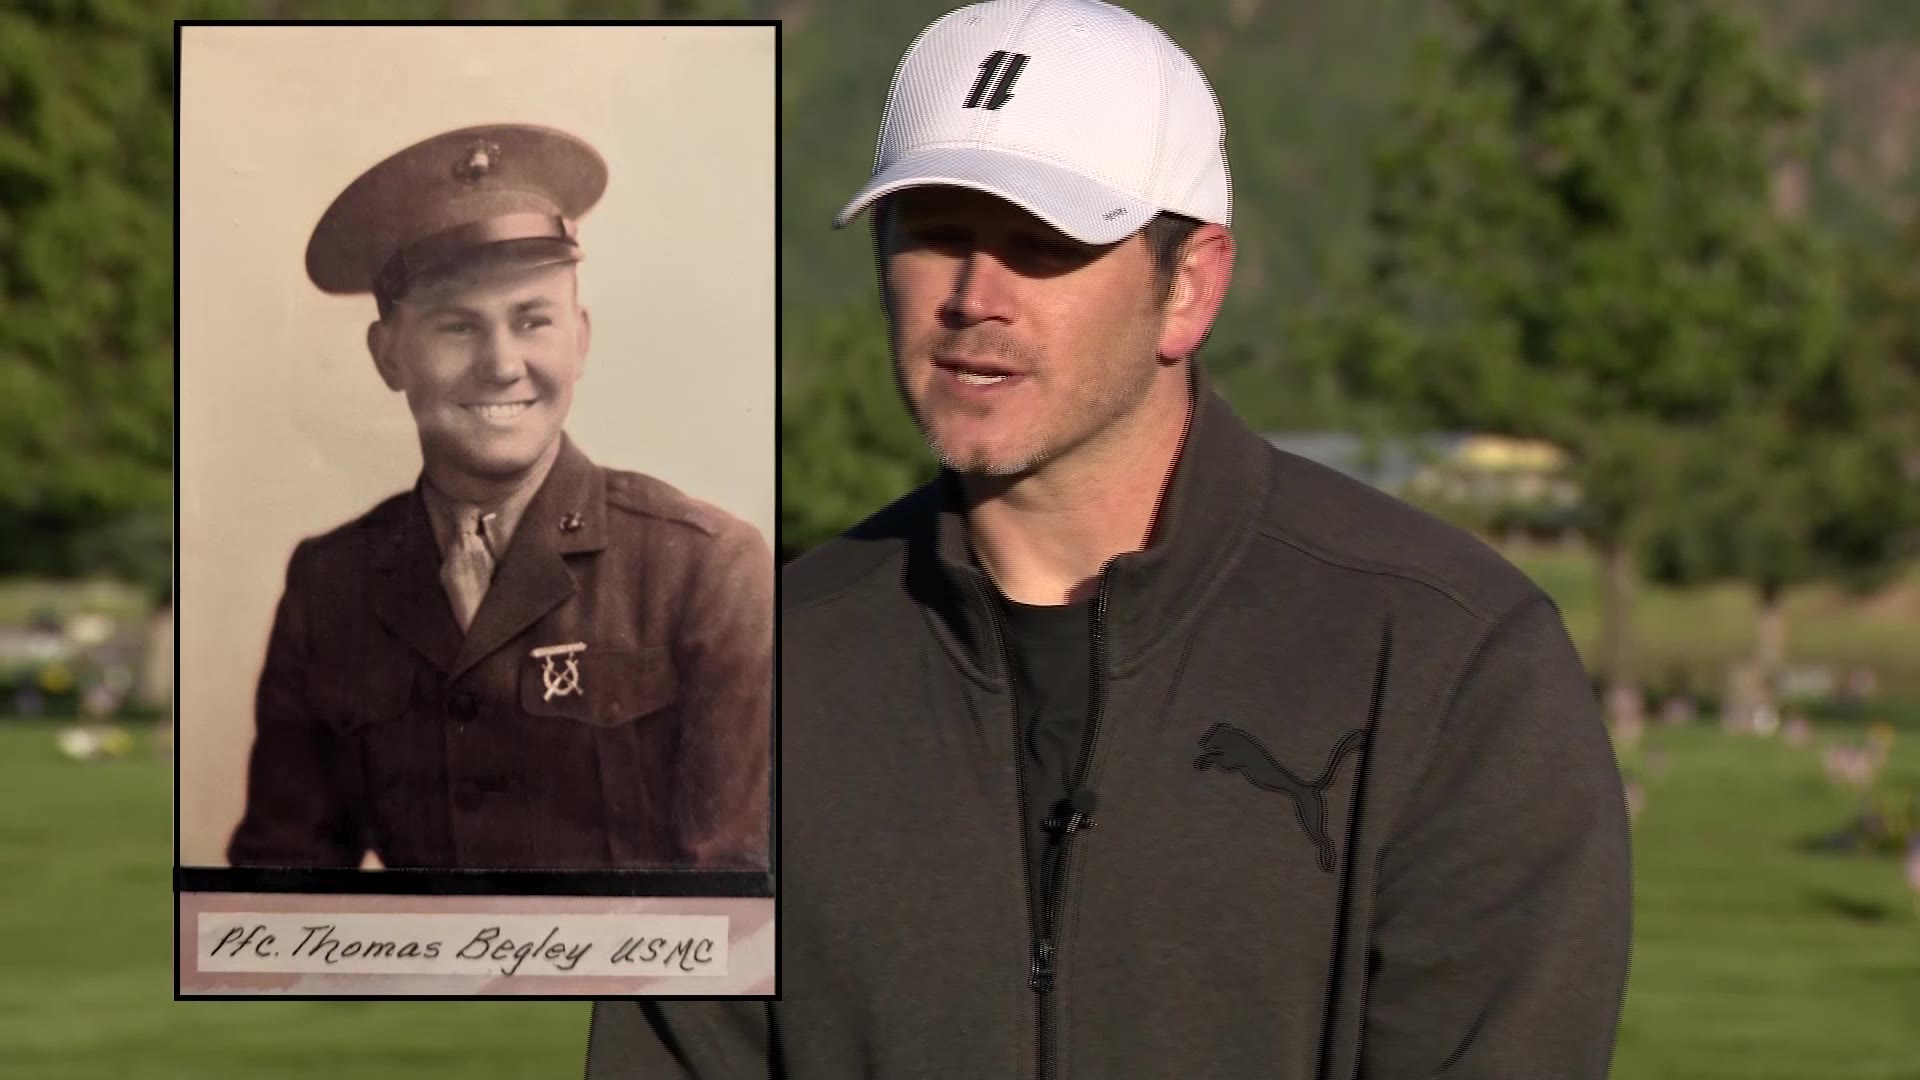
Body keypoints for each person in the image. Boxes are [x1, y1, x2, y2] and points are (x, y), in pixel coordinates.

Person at [590, 0, 1628, 1073]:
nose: (973, 298)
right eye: (936, 232)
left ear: (1189, 289)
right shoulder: (751, 677)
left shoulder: (1444, 660)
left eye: (1044, 245)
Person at [227, 124, 771, 871]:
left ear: (578, 339)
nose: (501, 365)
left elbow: (737, 911)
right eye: (456, 327)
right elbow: (276, 897)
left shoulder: (705, 569)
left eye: (532, 321)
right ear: (389, 355)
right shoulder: (330, 585)